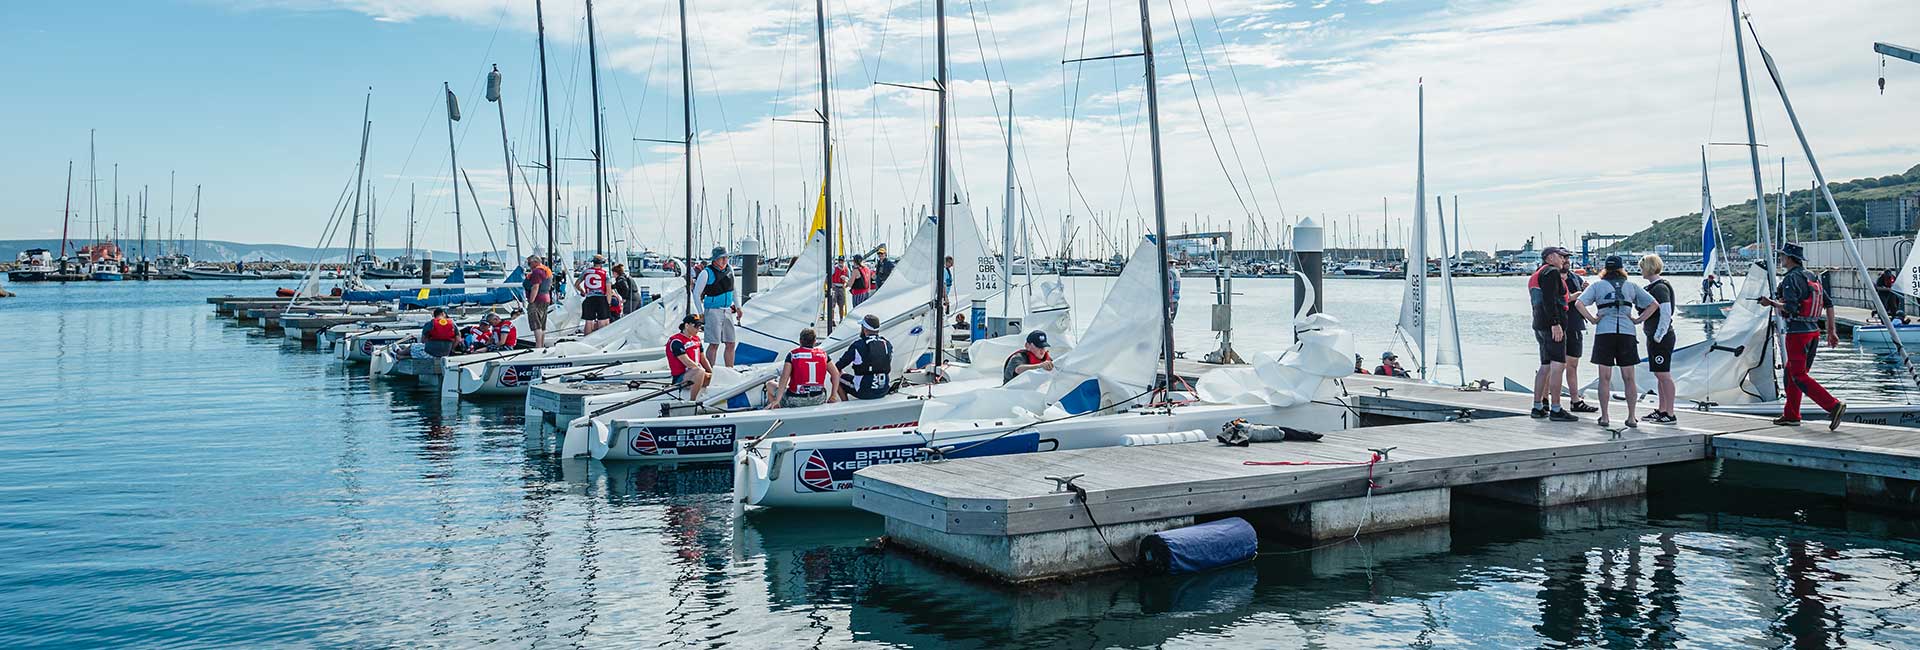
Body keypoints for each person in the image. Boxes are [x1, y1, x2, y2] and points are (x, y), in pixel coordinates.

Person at [1758, 243, 1846, 429]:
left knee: (1798, 375)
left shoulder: (1791, 278)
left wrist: (1770, 302)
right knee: (1792, 373)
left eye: (1782, 256)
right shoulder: (1812, 276)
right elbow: (1828, 304)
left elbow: (1790, 307)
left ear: (1789, 258)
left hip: (1798, 333)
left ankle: (1833, 405)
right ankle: (1791, 415)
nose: (1781, 260)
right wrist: (1831, 331)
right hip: (1813, 332)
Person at [1573, 255, 1657, 429]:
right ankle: (1632, 417)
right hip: (1627, 333)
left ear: (1605, 269)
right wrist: (1637, 320)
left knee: (1604, 378)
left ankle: (1605, 417)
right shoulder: (1631, 286)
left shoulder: (1597, 285)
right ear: (1621, 269)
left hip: (1605, 333)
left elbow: (1579, 304)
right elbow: (1654, 304)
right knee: (1629, 378)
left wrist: (1592, 319)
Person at [1529, 247, 1579, 422]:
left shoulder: (1539, 273)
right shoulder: (1551, 273)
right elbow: (1550, 300)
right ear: (1550, 258)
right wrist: (1555, 323)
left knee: (1545, 365)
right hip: (1551, 326)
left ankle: (1538, 406)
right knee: (1558, 365)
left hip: (1539, 325)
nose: (1563, 260)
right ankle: (1556, 408)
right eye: (1560, 256)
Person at [1638, 255, 1678, 424]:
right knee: (1659, 374)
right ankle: (1662, 409)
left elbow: (1666, 313)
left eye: (1642, 267)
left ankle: (1670, 412)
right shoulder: (1653, 287)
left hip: (1661, 337)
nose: (1640, 271)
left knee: (1664, 374)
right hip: (1654, 335)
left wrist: (1659, 335)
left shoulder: (1660, 288)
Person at [693, 247, 743, 367]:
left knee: (731, 342)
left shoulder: (729, 269)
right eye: (722, 258)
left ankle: (730, 370)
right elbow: (696, 293)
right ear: (715, 259)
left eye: (726, 257)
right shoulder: (706, 273)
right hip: (713, 310)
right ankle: (710, 371)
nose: (725, 260)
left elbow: (733, 289)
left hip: (727, 310)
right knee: (714, 343)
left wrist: (738, 307)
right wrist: (701, 313)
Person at [768, 328, 839, 409]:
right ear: (814, 341)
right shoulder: (823, 355)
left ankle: (776, 410)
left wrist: (778, 399)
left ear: (800, 340)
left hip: (796, 400)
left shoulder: (793, 355)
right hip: (818, 399)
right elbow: (835, 374)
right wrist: (833, 395)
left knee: (769, 385)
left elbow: (784, 378)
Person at [1561, 257, 1597, 414]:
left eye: (1568, 257)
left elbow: (1585, 301)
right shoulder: (1551, 278)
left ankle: (1575, 400)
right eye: (1563, 257)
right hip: (1558, 325)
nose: (1566, 260)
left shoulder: (1575, 277)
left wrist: (1586, 291)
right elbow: (1555, 300)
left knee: (1573, 364)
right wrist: (1574, 295)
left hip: (1575, 324)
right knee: (1554, 365)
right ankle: (1544, 400)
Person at [837, 314, 895, 401]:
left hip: (864, 391)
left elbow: (838, 366)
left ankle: (845, 405)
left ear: (864, 329)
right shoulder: (887, 344)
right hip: (883, 390)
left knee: (836, 377)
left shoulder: (858, 345)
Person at [666, 314, 710, 400]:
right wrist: (704, 373)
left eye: (700, 326)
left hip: (697, 374)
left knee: (716, 374)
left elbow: (703, 359)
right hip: (681, 378)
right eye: (696, 326)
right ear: (687, 325)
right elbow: (688, 363)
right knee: (699, 371)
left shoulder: (697, 339)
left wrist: (712, 373)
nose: (698, 329)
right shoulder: (676, 341)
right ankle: (692, 401)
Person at [576, 256, 612, 335]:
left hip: (589, 298)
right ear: (601, 263)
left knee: (588, 321)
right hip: (601, 298)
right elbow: (609, 290)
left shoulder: (586, 272)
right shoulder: (605, 274)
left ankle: (586, 341)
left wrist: (582, 291)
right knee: (602, 320)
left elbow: (577, 284)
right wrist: (608, 302)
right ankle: (601, 341)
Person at [523, 254, 552, 348]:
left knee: (536, 324)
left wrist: (531, 301)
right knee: (542, 324)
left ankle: (538, 346)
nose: (528, 265)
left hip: (537, 299)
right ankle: (541, 344)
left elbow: (535, 287)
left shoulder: (537, 272)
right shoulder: (546, 270)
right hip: (546, 298)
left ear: (535, 262)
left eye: (529, 263)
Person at [828, 256, 850, 323]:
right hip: (835, 287)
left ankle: (841, 319)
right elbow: (828, 277)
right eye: (840, 260)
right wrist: (831, 284)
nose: (841, 262)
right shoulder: (834, 268)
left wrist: (846, 285)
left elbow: (849, 279)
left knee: (841, 305)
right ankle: (832, 320)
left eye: (842, 261)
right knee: (832, 305)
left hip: (842, 288)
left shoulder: (846, 269)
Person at [1167, 258, 1182, 322]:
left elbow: (1170, 287)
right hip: (1175, 300)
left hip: (1170, 301)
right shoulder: (1176, 271)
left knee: (1168, 321)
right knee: (1171, 322)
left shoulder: (1170, 272)